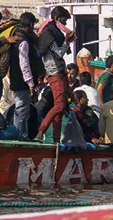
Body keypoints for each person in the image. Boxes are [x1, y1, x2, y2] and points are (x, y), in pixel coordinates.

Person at [33, 7, 73, 141]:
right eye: (64, 20)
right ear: (57, 19)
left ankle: (56, 139)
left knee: (60, 109)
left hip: (58, 73)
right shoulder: (49, 34)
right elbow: (59, 53)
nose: (66, 24)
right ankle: (40, 132)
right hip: (55, 73)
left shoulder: (53, 33)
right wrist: (67, 41)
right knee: (59, 106)